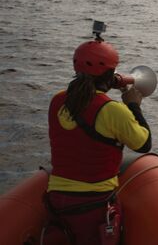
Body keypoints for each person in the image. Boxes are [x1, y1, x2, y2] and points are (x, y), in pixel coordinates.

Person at [45, 34, 152, 244]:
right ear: (110, 73)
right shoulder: (112, 110)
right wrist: (133, 105)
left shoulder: (57, 100)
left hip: (57, 201)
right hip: (94, 204)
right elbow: (144, 144)